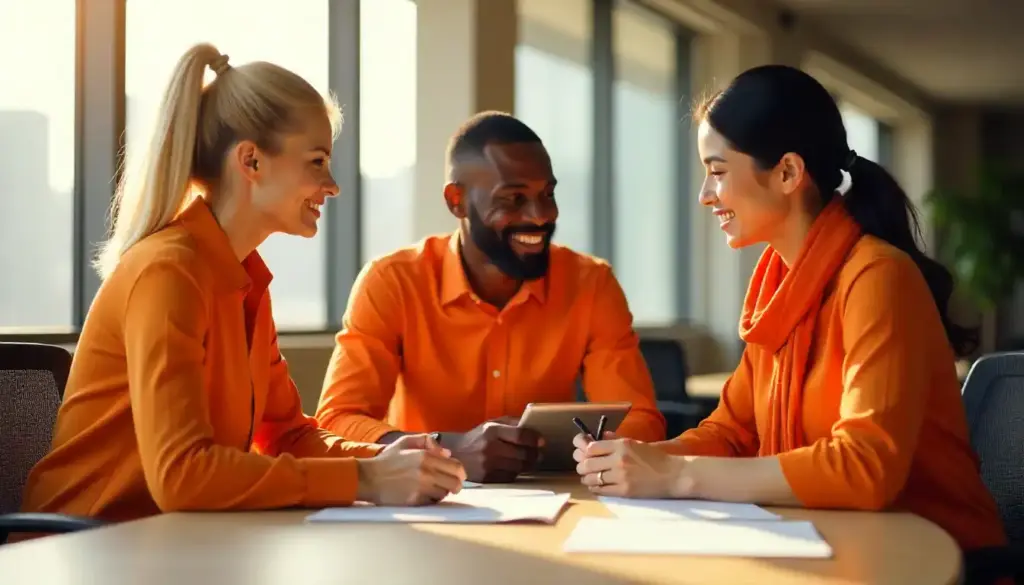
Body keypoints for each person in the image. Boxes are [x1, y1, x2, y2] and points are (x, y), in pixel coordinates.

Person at [19, 43, 465, 526]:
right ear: (251, 161)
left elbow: (287, 436)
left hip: (168, 541)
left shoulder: (244, 280)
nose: (332, 184)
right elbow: (182, 475)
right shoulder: (168, 273)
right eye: (317, 162)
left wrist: (391, 458)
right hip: (84, 545)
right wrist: (365, 479)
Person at [573, 65, 1007, 553]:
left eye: (718, 172)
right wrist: (638, 458)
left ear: (788, 173)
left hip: (928, 555)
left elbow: (867, 468)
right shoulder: (776, 283)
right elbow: (732, 432)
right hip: (825, 542)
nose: (705, 195)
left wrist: (676, 474)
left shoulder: (878, 277)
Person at [316, 111, 666, 483]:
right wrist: (447, 448)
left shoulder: (591, 283)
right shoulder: (392, 282)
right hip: (424, 499)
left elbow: (642, 422)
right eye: (513, 199)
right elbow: (337, 420)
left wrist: (572, 448)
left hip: (557, 496)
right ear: (457, 201)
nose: (540, 216)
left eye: (547, 194)